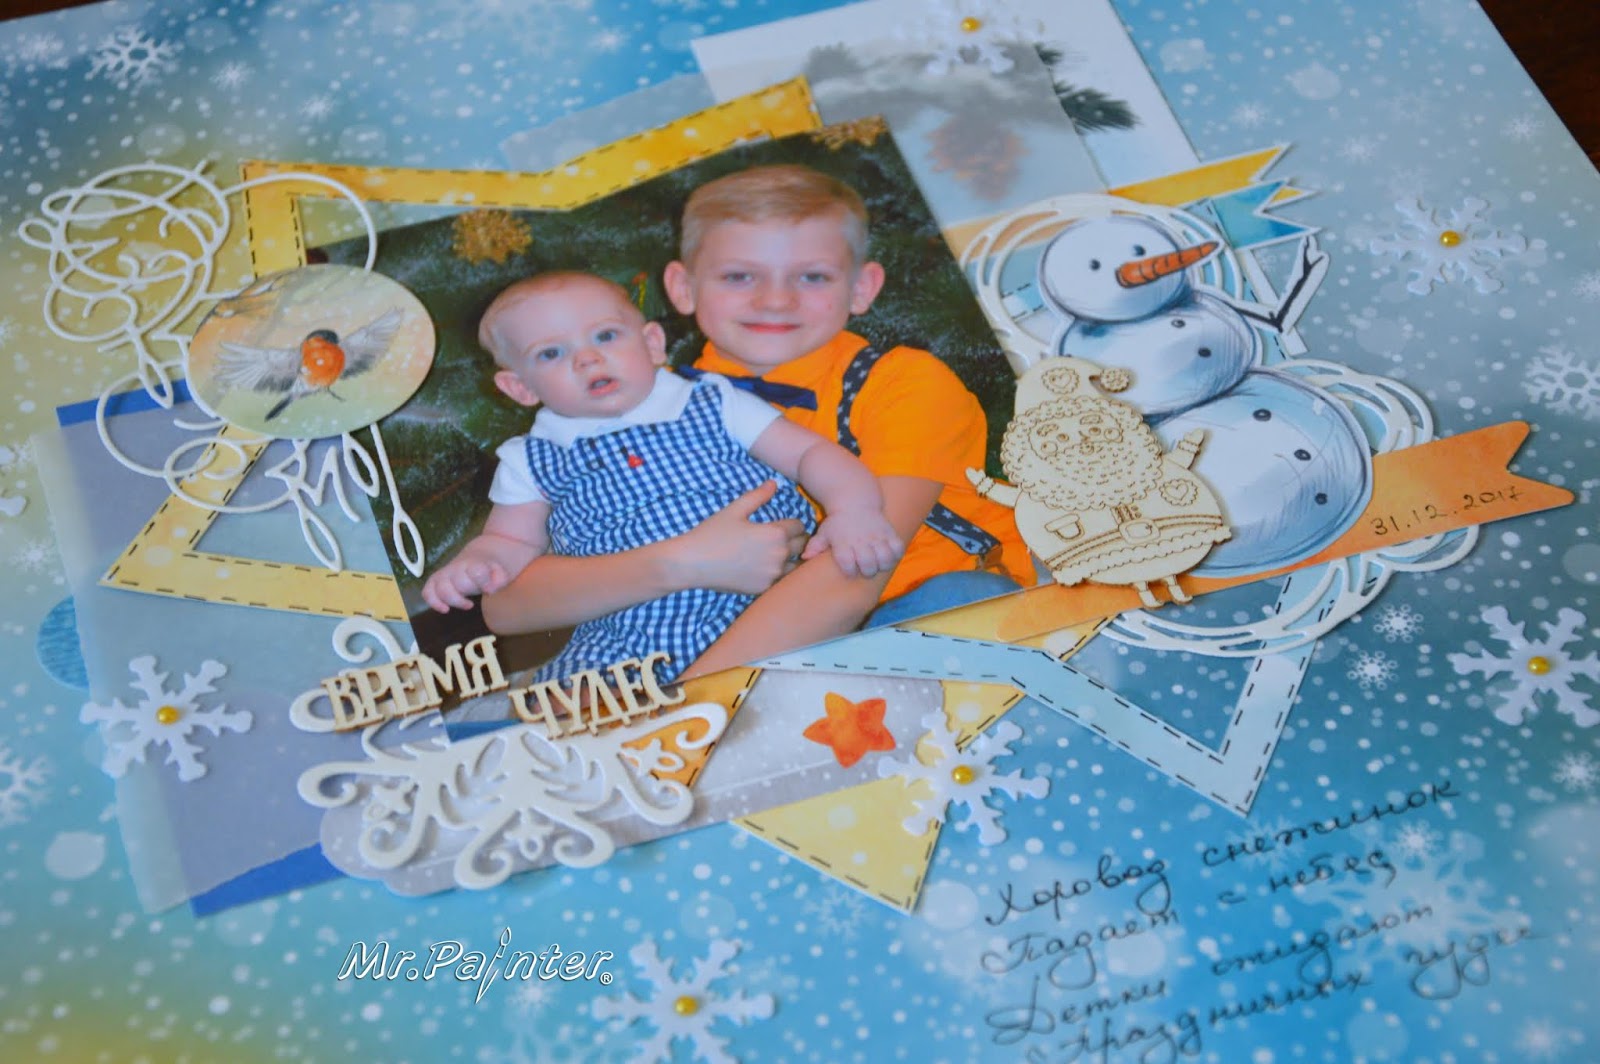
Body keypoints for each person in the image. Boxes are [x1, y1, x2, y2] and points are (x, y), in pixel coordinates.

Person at [482, 165, 1033, 678]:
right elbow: (505, 606)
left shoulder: (905, 382)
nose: (775, 300)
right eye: (740, 276)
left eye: (812, 276)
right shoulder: (648, 404)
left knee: (962, 606)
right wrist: (681, 564)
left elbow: (856, 573)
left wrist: (689, 707)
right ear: (683, 289)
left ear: (861, 288)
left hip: (900, 605)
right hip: (719, 634)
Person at [424, 270, 902, 686]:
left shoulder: (712, 401)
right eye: (551, 353)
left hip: (771, 602)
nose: (587, 359)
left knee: (829, 680)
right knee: (574, 707)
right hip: (629, 637)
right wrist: (477, 563)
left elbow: (810, 453)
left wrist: (854, 509)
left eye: (605, 336)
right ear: (520, 387)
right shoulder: (531, 458)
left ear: (652, 343)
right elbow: (510, 540)